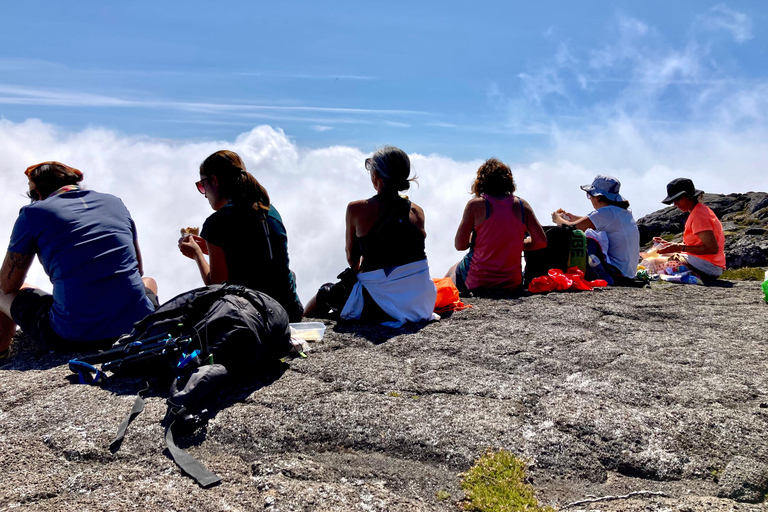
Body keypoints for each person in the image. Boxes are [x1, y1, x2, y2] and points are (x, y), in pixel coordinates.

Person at [0, 162, 158, 358]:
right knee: (148, 282)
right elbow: (138, 269)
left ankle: (2, 354)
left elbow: (7, 285)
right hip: (137, 327)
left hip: (72, 336)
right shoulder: (115, 202)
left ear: (37, 192)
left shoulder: (33, 213)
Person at [303, 146, 437, 327]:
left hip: (381, 304)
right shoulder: (417, 211)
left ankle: (299, 321)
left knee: (326, 293)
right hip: (421, 302)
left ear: (377, 176)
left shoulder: (357, 209)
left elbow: (352, 260)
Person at [178, 150, 304, 321]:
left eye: (202, 185)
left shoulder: (217, 222)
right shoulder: (268, 210)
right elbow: (255, 257)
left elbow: (217, 286)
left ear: (214, 180)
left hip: (256, 316)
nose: (204, 193)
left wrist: (197, 255)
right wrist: (209, 248)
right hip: (289, 310)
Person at [446, 158, 547, 292]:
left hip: (477, 280)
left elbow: (460, 245)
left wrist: (485, 242)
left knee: (452, 271)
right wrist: (511, 244)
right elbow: (541, 242)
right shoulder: (522, 206)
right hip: (511, 281)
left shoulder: (475, 205)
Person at [551, 175, 640, 279]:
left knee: (579, 238)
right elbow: (592, 222)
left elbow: (571, 228)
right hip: (627, 272)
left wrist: (557, 219)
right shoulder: (621, 212)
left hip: (615, 273)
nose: (590, 199)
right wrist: (572, 217)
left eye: (589, 195)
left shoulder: (607, 212)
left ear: (598, 196)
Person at [653, 178, 725, 279]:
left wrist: (679, 248)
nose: (675, 204)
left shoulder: (698, 216)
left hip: (707, 266)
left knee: (652, 262)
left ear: (689, 196)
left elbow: (712, 248)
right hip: (710, 264)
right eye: (673, 201)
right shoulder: (700, 210)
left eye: (678, 199)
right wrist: (670, 245)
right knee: (660, 258)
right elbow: (698, 244)